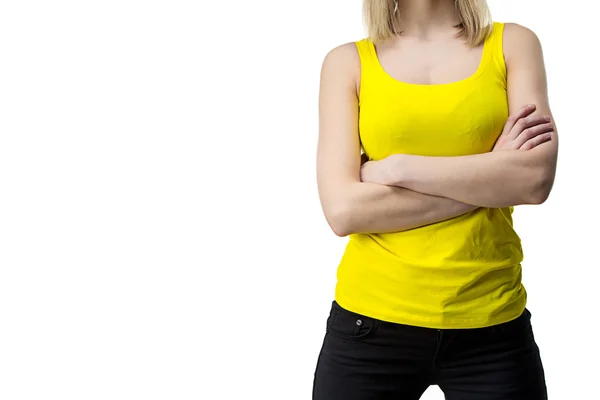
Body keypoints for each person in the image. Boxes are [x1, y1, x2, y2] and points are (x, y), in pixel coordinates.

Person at [313, 0, 558, 399]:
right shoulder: (347, 62)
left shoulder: (513, 44)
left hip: (492, 324)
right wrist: (492, 174)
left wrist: (398, 169)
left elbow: (534, 181)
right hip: (370, 323)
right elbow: (343, 211)